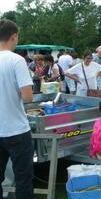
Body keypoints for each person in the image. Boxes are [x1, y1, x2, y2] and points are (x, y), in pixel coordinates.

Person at [0, 19, 34, 199]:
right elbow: (28, 97)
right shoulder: (17, 60)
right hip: (16, 131)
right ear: (13, 37)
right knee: (23, 179)